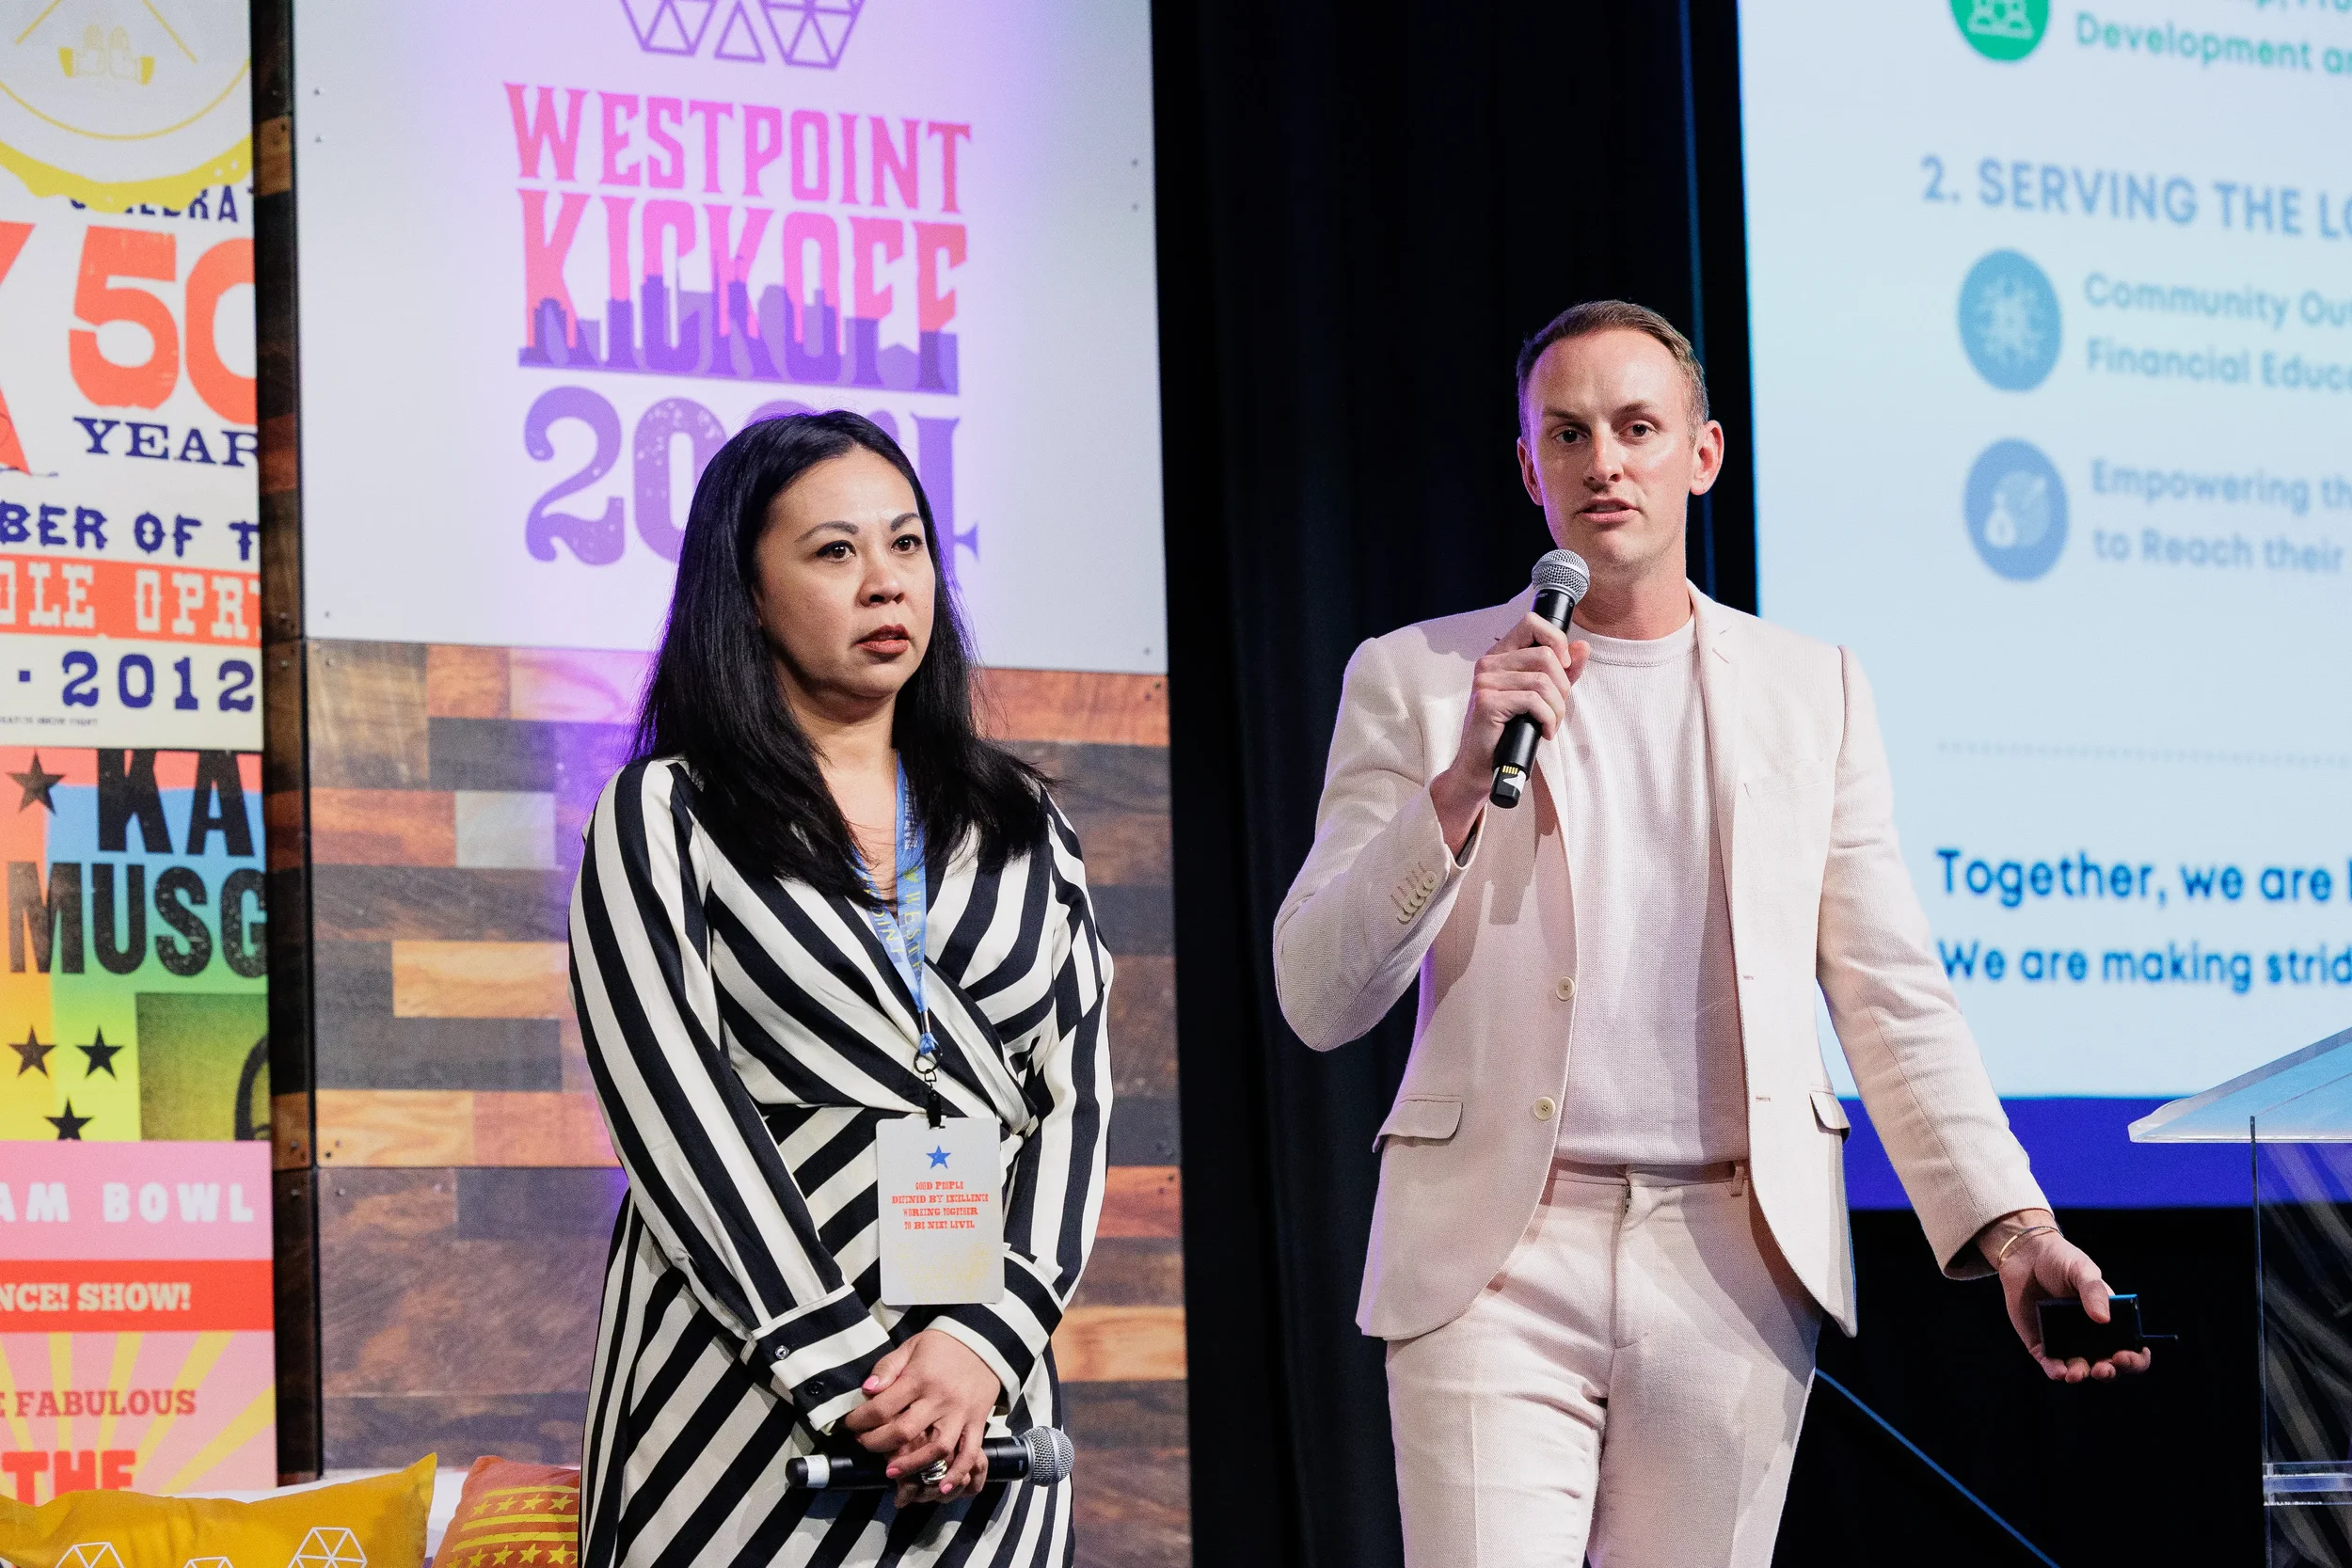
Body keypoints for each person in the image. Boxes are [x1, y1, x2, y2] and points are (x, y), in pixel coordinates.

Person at [1272, 300, 2147, 1567]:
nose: (1603, 461)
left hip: (1733, 1255)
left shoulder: (1812, 687)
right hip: (1495, 1256)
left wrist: (2015, 1225)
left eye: (1637, 427)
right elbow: (1318, 989)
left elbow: (1892, 992)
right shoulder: (1417, 678)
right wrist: (1454, 788)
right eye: (1567, 434)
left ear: (1705, 453)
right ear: (1529, 466)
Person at [569, 411, 1112, 1567]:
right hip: (737, 1400)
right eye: (834, 552)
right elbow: (674, 1112)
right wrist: (840, 1373)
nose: (884, 584)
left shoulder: (1024, 824)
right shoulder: (665, 813)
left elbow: (1077, 1103)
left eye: (907, 546)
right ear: (746, 592)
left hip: (982, 1396)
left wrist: (983, 1343)